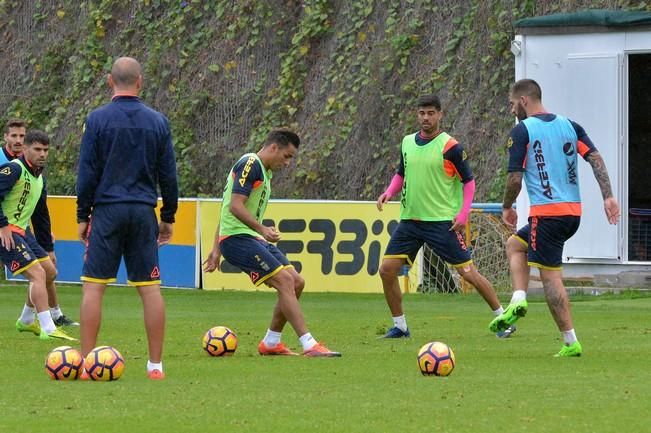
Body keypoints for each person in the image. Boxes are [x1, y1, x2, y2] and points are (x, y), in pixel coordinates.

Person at [489, 79, 620, 357]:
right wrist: (608, 196)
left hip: (547, 215)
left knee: (550, 278)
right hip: (572, 214)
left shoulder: (522, 130)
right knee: (515, 245)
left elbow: (514, 177)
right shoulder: (570, 126)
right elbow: (595, 158)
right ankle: (518, 299)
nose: (513, 110)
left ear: (524, 100)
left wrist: (508, 205)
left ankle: (571, 342)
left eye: (513, 104)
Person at [76, 57, 179, 380]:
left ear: (110, 81)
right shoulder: (158, 122)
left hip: (107, 211)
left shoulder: (96, 120)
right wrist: (169, 216)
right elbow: (169, 175)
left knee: (93, 288)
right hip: (141, 212)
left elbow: (87, 172)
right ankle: (155, 366)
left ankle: (85, 363)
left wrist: (83, 214)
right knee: (150, 288)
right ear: (140, 81)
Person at [376, 94, 511, 338]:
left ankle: (503, 319)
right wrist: (388, 192)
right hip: (410, 222)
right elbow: (401, 173)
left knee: (468, 273)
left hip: (441, 223)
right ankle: (400, 326)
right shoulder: (407, 142)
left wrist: (463, 213)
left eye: (430, 113)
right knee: (386, 270)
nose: (425, 118)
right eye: (421, 113)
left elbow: (468, 182)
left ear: (440, 115)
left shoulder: (451, 147)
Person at [203, 130, 341, 357]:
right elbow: (234, 206)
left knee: (296, 282)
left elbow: (227, 203)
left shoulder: (263, 172)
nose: (287, 163)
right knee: (285, 280)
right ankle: (309, 344)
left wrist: (216, 248)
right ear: (274, 147)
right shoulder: (251, 163)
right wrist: (261, 229)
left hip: (248, 237)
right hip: (237, 239)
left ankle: (271, 342)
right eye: (287, 156)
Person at [2, 119, 78, 334]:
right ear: (25, 149)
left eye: (45, 150)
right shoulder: (13, 170)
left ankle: (26, 320)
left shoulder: (39, 178)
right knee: (37, 274)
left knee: (49, 272)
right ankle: (49, 328)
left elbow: (40, 215)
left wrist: (48, 247)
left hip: (21, 231)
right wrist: (2, 226)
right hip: (6, 231)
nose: (42, 154)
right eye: (37, 149)